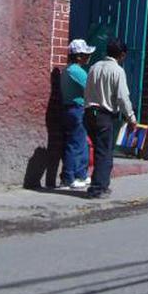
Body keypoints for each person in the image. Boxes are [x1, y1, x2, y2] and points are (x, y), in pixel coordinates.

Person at [83, 39, 137, 199]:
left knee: (97, 149)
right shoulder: (117, 71)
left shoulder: (94, 67)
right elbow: (122, 98)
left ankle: (98, 184)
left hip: (90, 113)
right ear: (122, 55)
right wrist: (131, 118)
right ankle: (98, 188)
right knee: (104, 152)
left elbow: (87, 90)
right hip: (104, 115)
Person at [59, 39, 94, 190]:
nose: (88, 56)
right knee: (75, 144)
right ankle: (68, 177)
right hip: (76, 109)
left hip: (71, 109)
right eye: (85, 54)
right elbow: (90, 89)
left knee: (80, 143)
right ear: (78, 56)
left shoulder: (68, 70)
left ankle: (80, 174)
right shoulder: (76, 71)